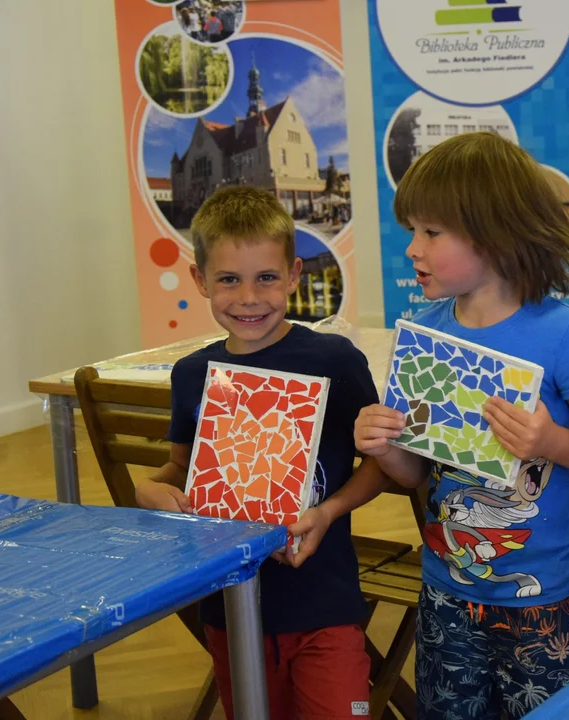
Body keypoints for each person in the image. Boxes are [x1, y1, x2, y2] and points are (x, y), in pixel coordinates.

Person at [353, 132, 569, 719]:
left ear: (495, 233)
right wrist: (382, 443)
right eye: (414, 231)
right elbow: (412, 473)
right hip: (448, 591)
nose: (412, 249)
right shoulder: (425, 332)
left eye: (430, 232)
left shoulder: (563, 332)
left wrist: (549, 441)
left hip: (548, 599)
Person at [134, 186, 388, 719]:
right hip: (230, 603)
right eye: (229, 279)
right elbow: (183, 466)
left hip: (324, 599)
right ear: (201, 280)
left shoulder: (334, 360)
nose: (249, 297)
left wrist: (329, 511)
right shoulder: (192, 375)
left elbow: (382, 465)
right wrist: (148, 488)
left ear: (294, 275)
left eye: (266, 277)